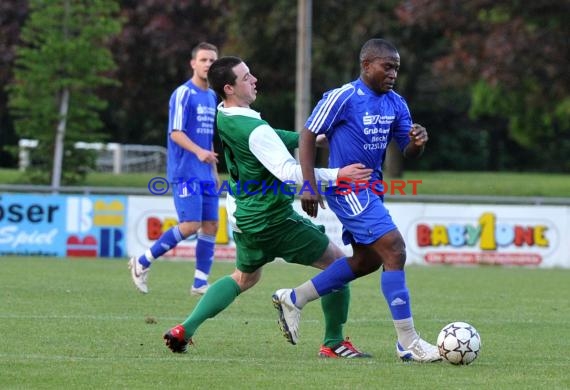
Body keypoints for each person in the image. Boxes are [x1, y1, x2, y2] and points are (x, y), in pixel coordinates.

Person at [162, 55, 374, 358]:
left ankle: (185, 328)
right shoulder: (255, 130)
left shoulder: (224, 113)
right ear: (229, 88)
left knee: (244, 277)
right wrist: (339, 174)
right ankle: (333, 342)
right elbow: (288, 170)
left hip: (243, 217)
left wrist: (313, 139)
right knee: (340, 266)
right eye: (247, 77)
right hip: (271, 218)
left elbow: (268, 140)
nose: (254, 79)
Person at [273, 38, 441, 362]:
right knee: (395, 248)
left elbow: (408, 149)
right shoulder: (344, 97)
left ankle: (294, 298)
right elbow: (308, 134)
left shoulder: (396, 103)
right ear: (367, 65)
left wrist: (418, 141)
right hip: (347, 189)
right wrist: (309, 185)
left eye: (396, 68)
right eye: (387, 66)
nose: (393, 73)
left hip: (371, 189)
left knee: (369, 260)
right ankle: (408, 342)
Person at [129, 42, 220, 295]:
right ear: (193, 63)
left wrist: (212, 169)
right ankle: (143, 261)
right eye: (203, 60)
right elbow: (176, 133)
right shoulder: (183, 94)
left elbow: (208, 135)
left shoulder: (212, 96)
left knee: (211, 224)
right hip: (185, 170)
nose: (208, 65)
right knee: (191, 225)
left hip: (204, 172)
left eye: (212, 60)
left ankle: (200, 283)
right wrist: (199, 152)